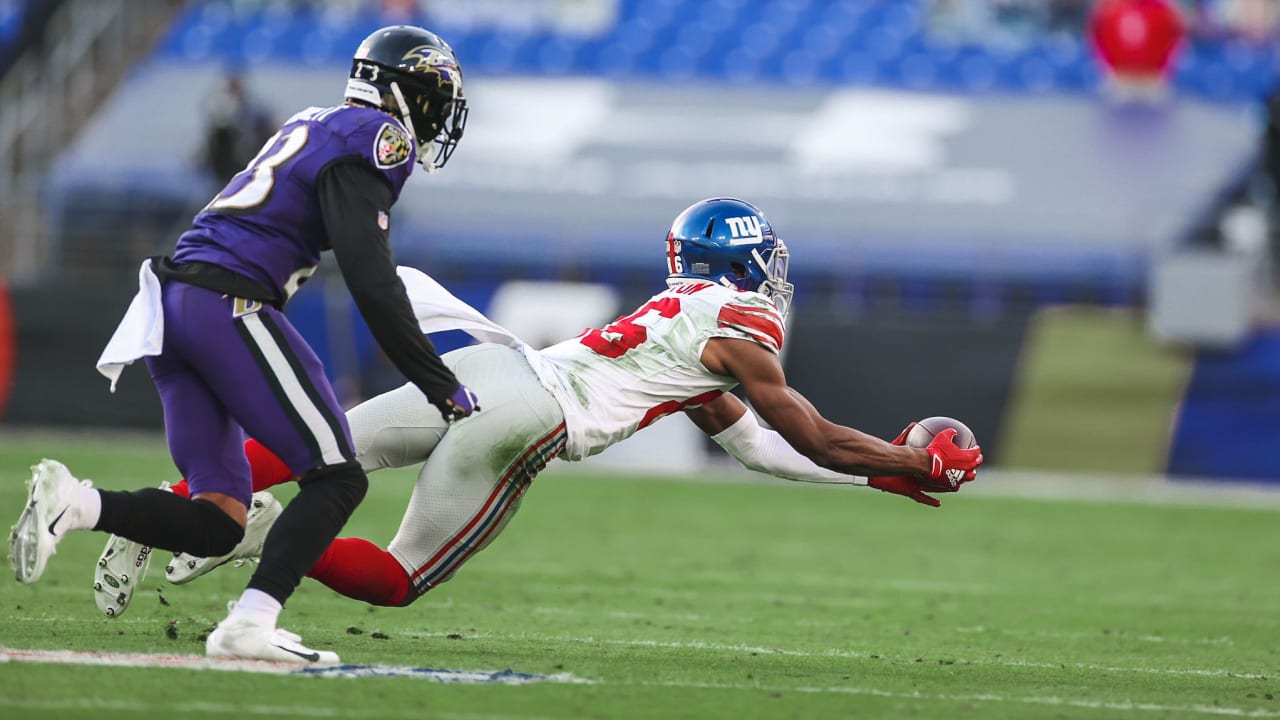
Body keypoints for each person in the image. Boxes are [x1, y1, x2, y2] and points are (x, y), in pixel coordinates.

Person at [108, 197, 984, 613]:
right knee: (401, 577)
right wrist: (910, 460)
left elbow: (759, 448)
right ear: (744, 266)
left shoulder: (682, 336)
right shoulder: (732, 326)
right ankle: (261, 534)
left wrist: (873, 480)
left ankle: (183, 504)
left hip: (490, 370)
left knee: (329, 448)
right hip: (527, 416)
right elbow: (813, 432)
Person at [7, 25, 480, 665]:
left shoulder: (318, 122)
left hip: (171, 306)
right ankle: (251, 621)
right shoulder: (376, 138)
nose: (435, 117)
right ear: (402, 93)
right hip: (228, 303)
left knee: (220, 518)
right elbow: (372, 279)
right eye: (431, 98)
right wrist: (440, 383)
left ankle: (76, 502)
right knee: (337, 476)